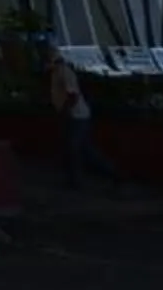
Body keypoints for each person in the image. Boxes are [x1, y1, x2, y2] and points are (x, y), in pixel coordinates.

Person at [47, 52, 122, 188]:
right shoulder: (57, 72)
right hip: (76, 115)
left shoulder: (64, 72)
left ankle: (78, 179)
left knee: (74, 147)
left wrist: (65, 111)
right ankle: (110, 171)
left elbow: (73, 95)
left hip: (77, 115)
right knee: (82, 148)